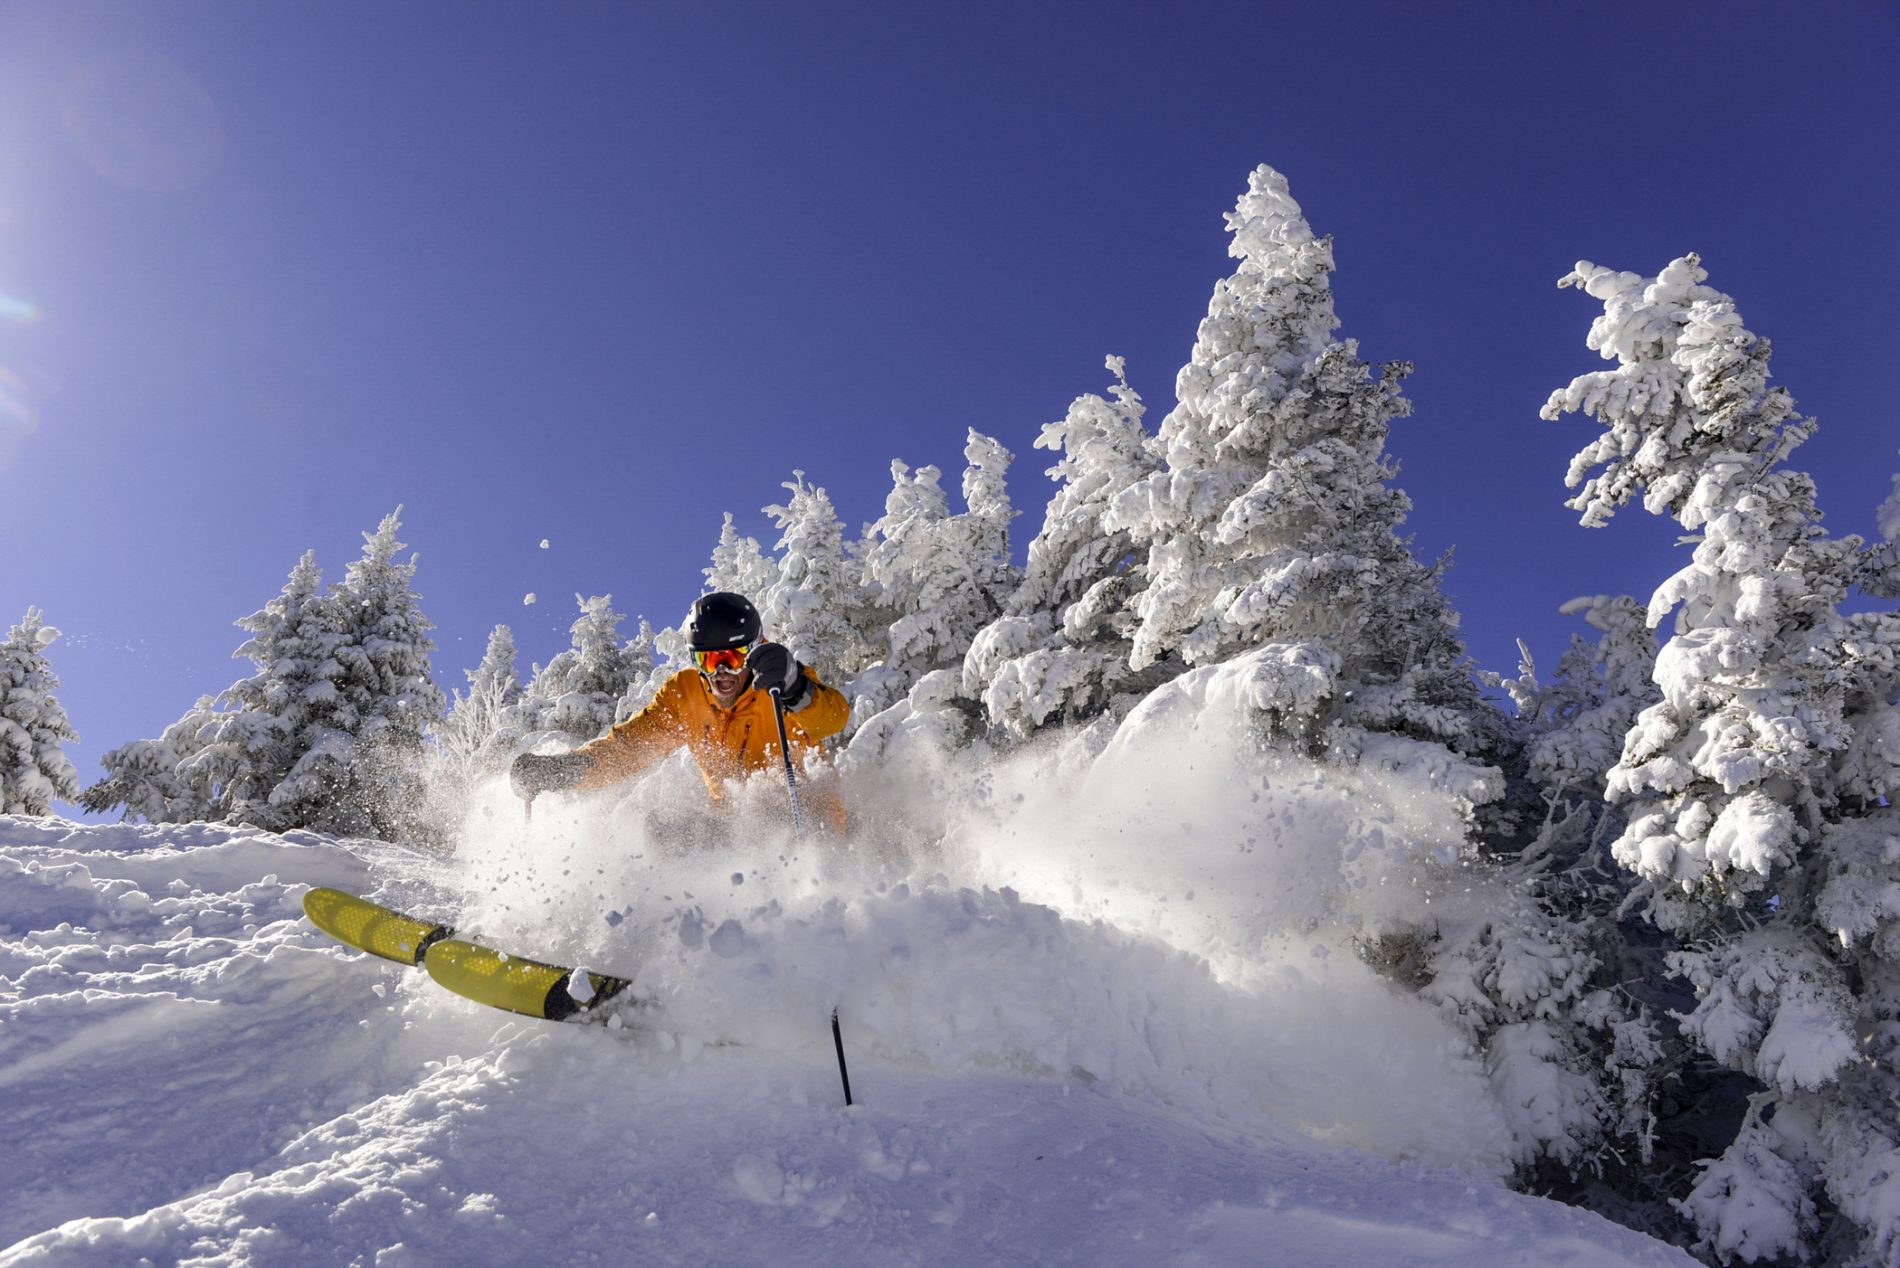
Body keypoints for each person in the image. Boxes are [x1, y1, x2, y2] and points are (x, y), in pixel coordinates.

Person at [509, 592, 850, 830]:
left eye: (732, 659)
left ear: (755, 650)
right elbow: (629, 748)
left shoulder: (778, 683)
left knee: (761, 825)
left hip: (805, 819)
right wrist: (566, 770)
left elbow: (833, 718)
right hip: (736, 827)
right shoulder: (685, 694)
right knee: (664, 832)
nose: (721, 673)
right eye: (708, 660)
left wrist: (794, 688)